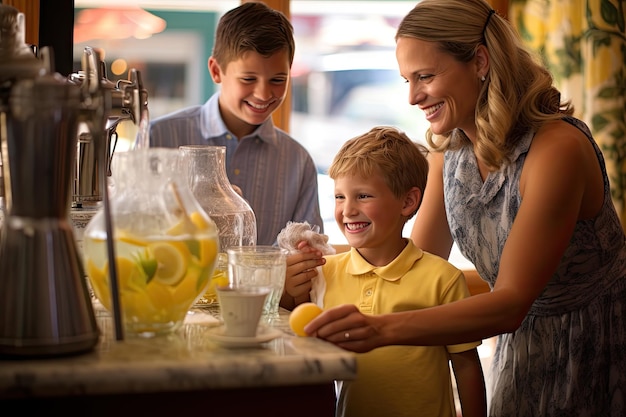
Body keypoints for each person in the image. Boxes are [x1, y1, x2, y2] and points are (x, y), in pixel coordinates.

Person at [298, 0, 626, 416]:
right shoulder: (449, 152)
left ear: (481, 61)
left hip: (594, 348)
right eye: (407, 80)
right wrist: (314, 264)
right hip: (519, 349)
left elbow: (510, 303)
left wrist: (381, 329)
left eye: (426, 76)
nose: (414, 96)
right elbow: (412, 263)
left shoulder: (556, 150)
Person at [281, 126, 487, 417]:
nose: (347, 210)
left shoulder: (443, 278)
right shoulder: (323, 274)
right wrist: (288, 293)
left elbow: (466, 366)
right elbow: (291, 339)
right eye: (339, 197)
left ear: (407, 202)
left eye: (363, 196)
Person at [149, 1, 323, 245]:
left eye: (277, 79)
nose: (263, 94)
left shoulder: (298, 162)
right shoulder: (158, 138)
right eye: (248, 78)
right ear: (216, 71)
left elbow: (310, 251)